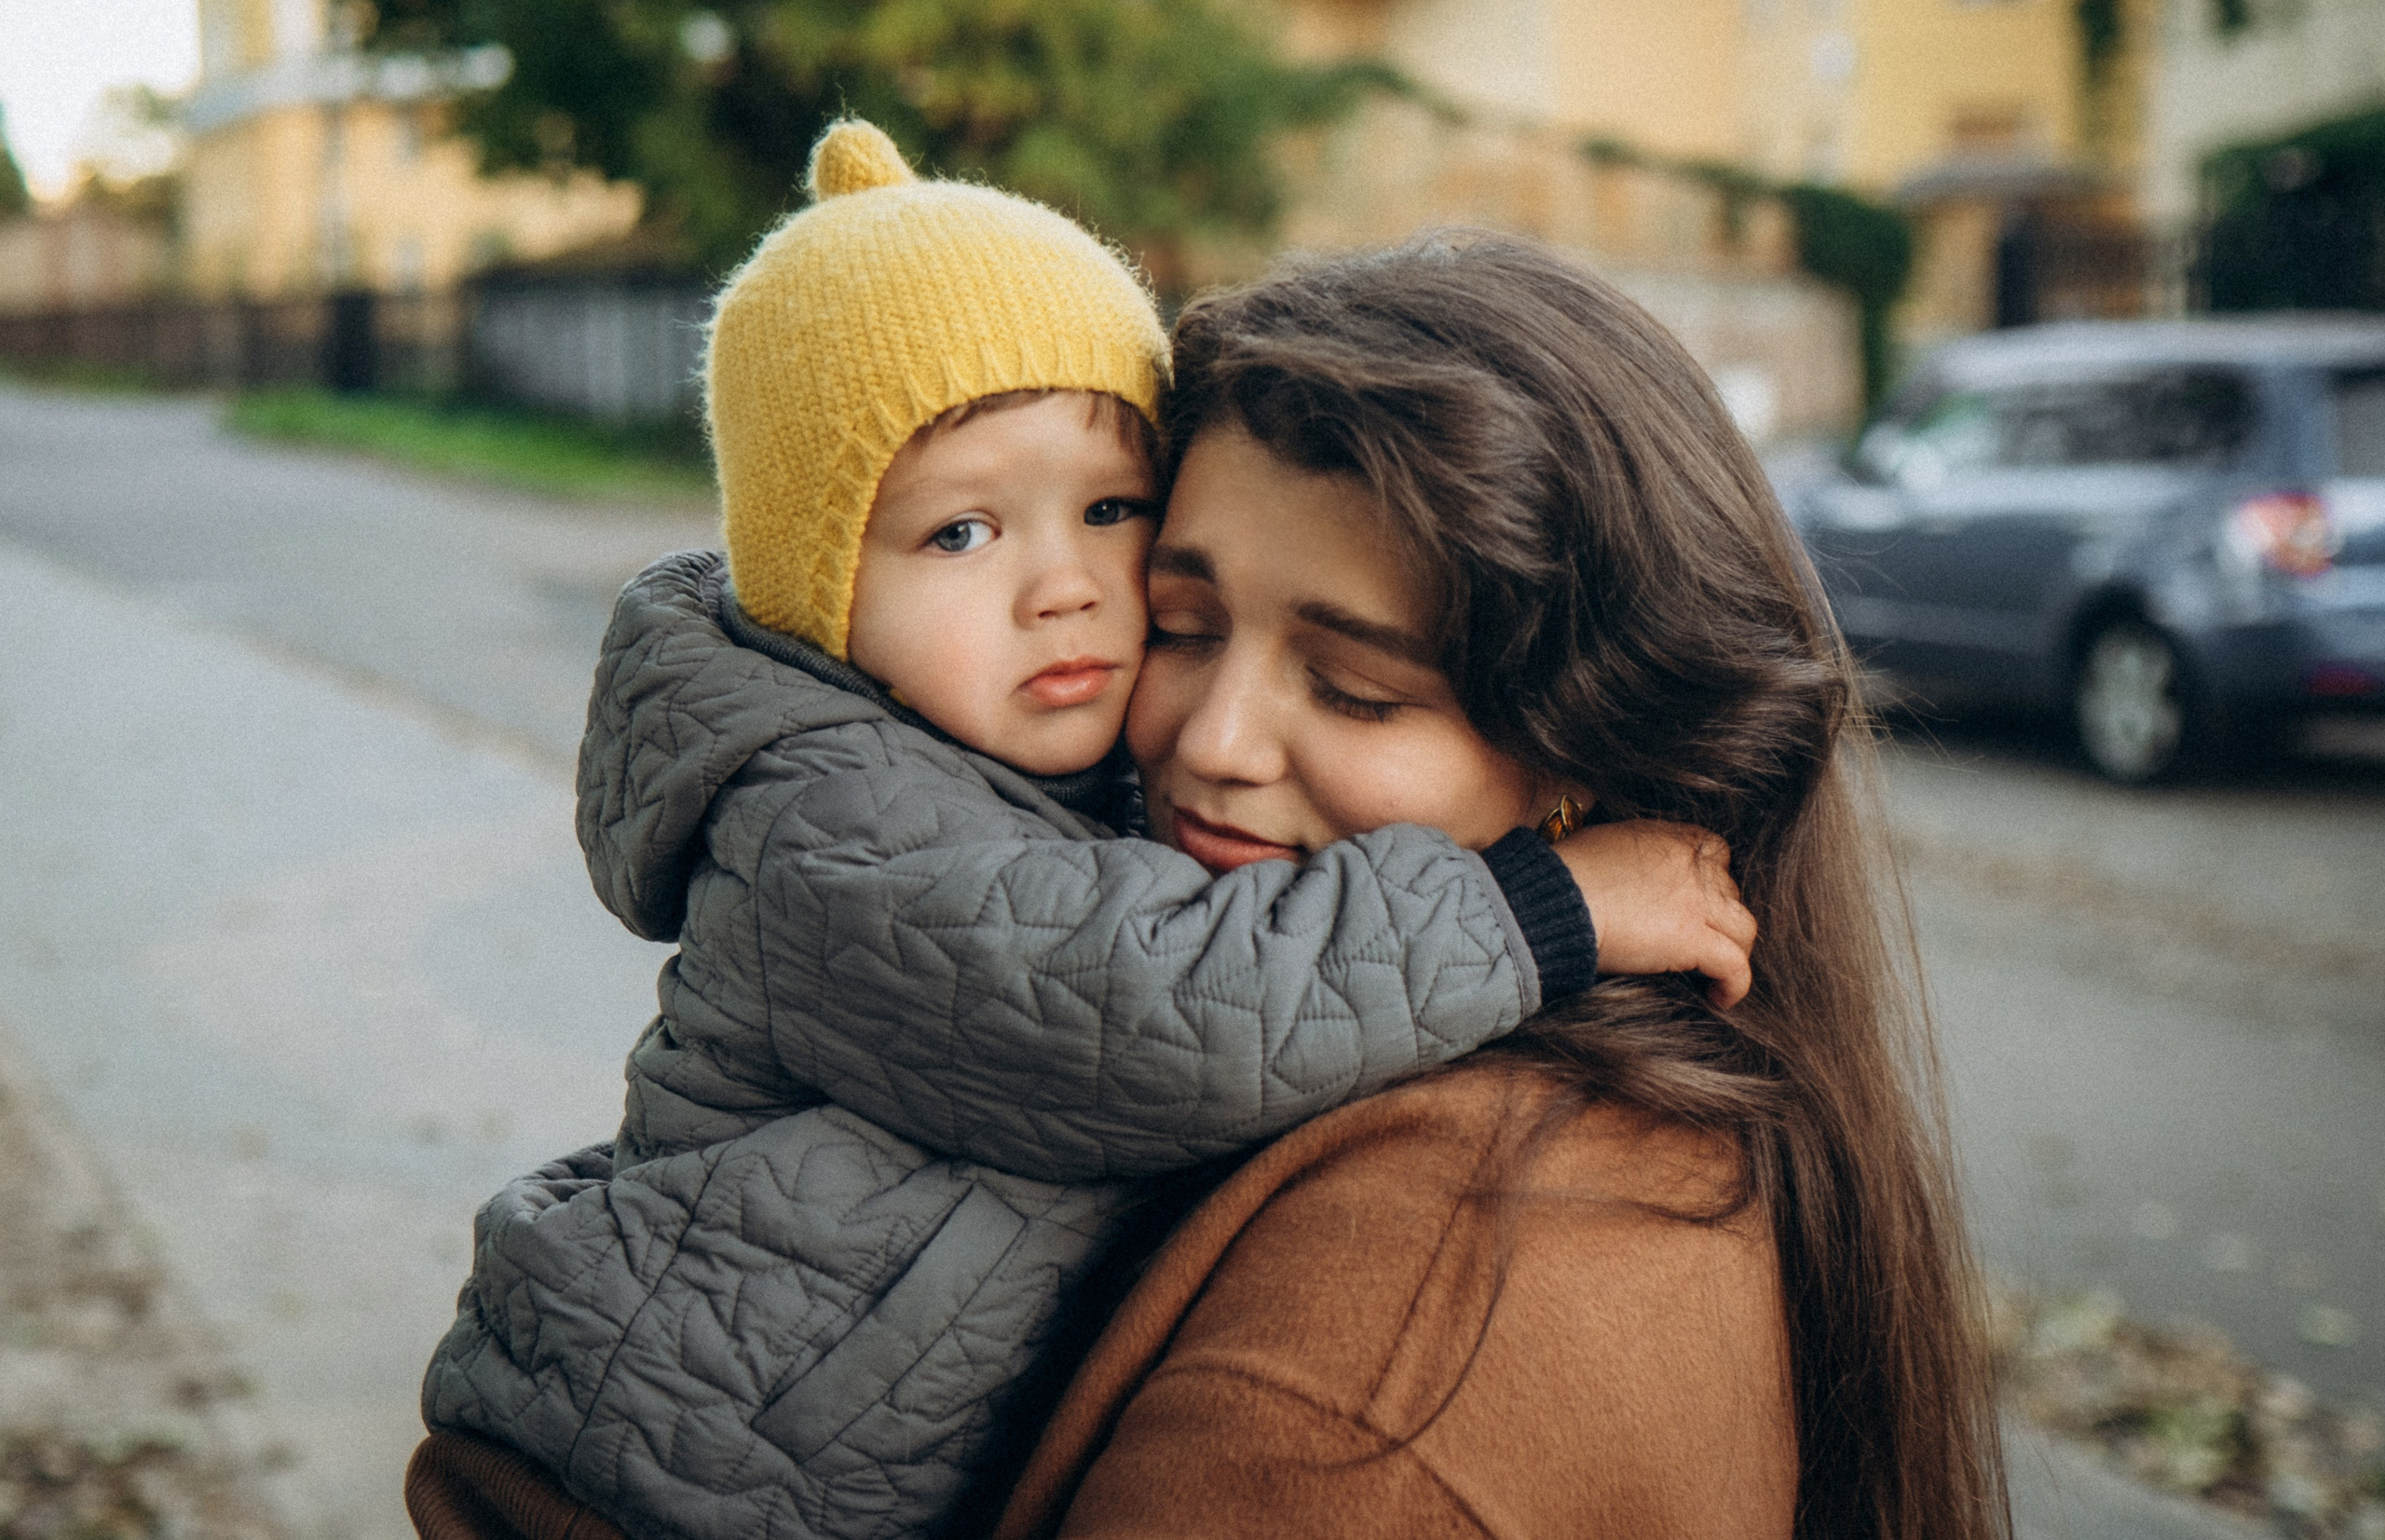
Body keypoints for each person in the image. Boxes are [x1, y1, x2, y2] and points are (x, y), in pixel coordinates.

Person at [407, 126, 1755, 1540]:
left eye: (1110, 511)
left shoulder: (1493, 1265)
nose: (1065, 592)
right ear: (818, 589)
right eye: (961, 535)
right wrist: (1536, 911)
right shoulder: (832, 824)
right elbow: (1153, 1006)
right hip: (657, 1479)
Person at [990, 237, 2011, 1539]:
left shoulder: (1386, 1368)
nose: (1211, 741)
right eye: (1181, 627)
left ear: (1586, 752)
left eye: (1359, 689)